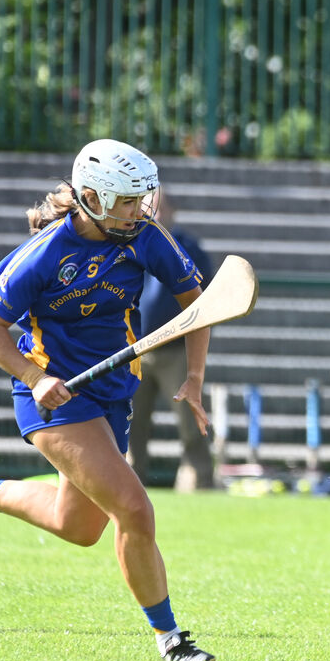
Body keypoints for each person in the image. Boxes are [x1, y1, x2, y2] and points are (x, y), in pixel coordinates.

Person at [0, 138, 216, 661]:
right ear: (93, 197)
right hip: (51, 395)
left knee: (77, 526)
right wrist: (34, 376)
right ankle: (171, 639)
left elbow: (197, 302)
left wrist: (195, 375)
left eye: (144, 199)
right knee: (134, 509)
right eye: (128, 201)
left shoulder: (145, 237)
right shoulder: (44, 255)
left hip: (111, 392)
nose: (140, 210)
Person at [127, 191, 217, 491]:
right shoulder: (129, 243)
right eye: (149, 207)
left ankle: (199, 481)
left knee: (190, 423)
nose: (155, 213)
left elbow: (207, 297)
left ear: (173, 211)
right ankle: (128, 483)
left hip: (176, 351)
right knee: (131, 424)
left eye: (160, 207)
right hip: (135, 349)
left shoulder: (188, 246)